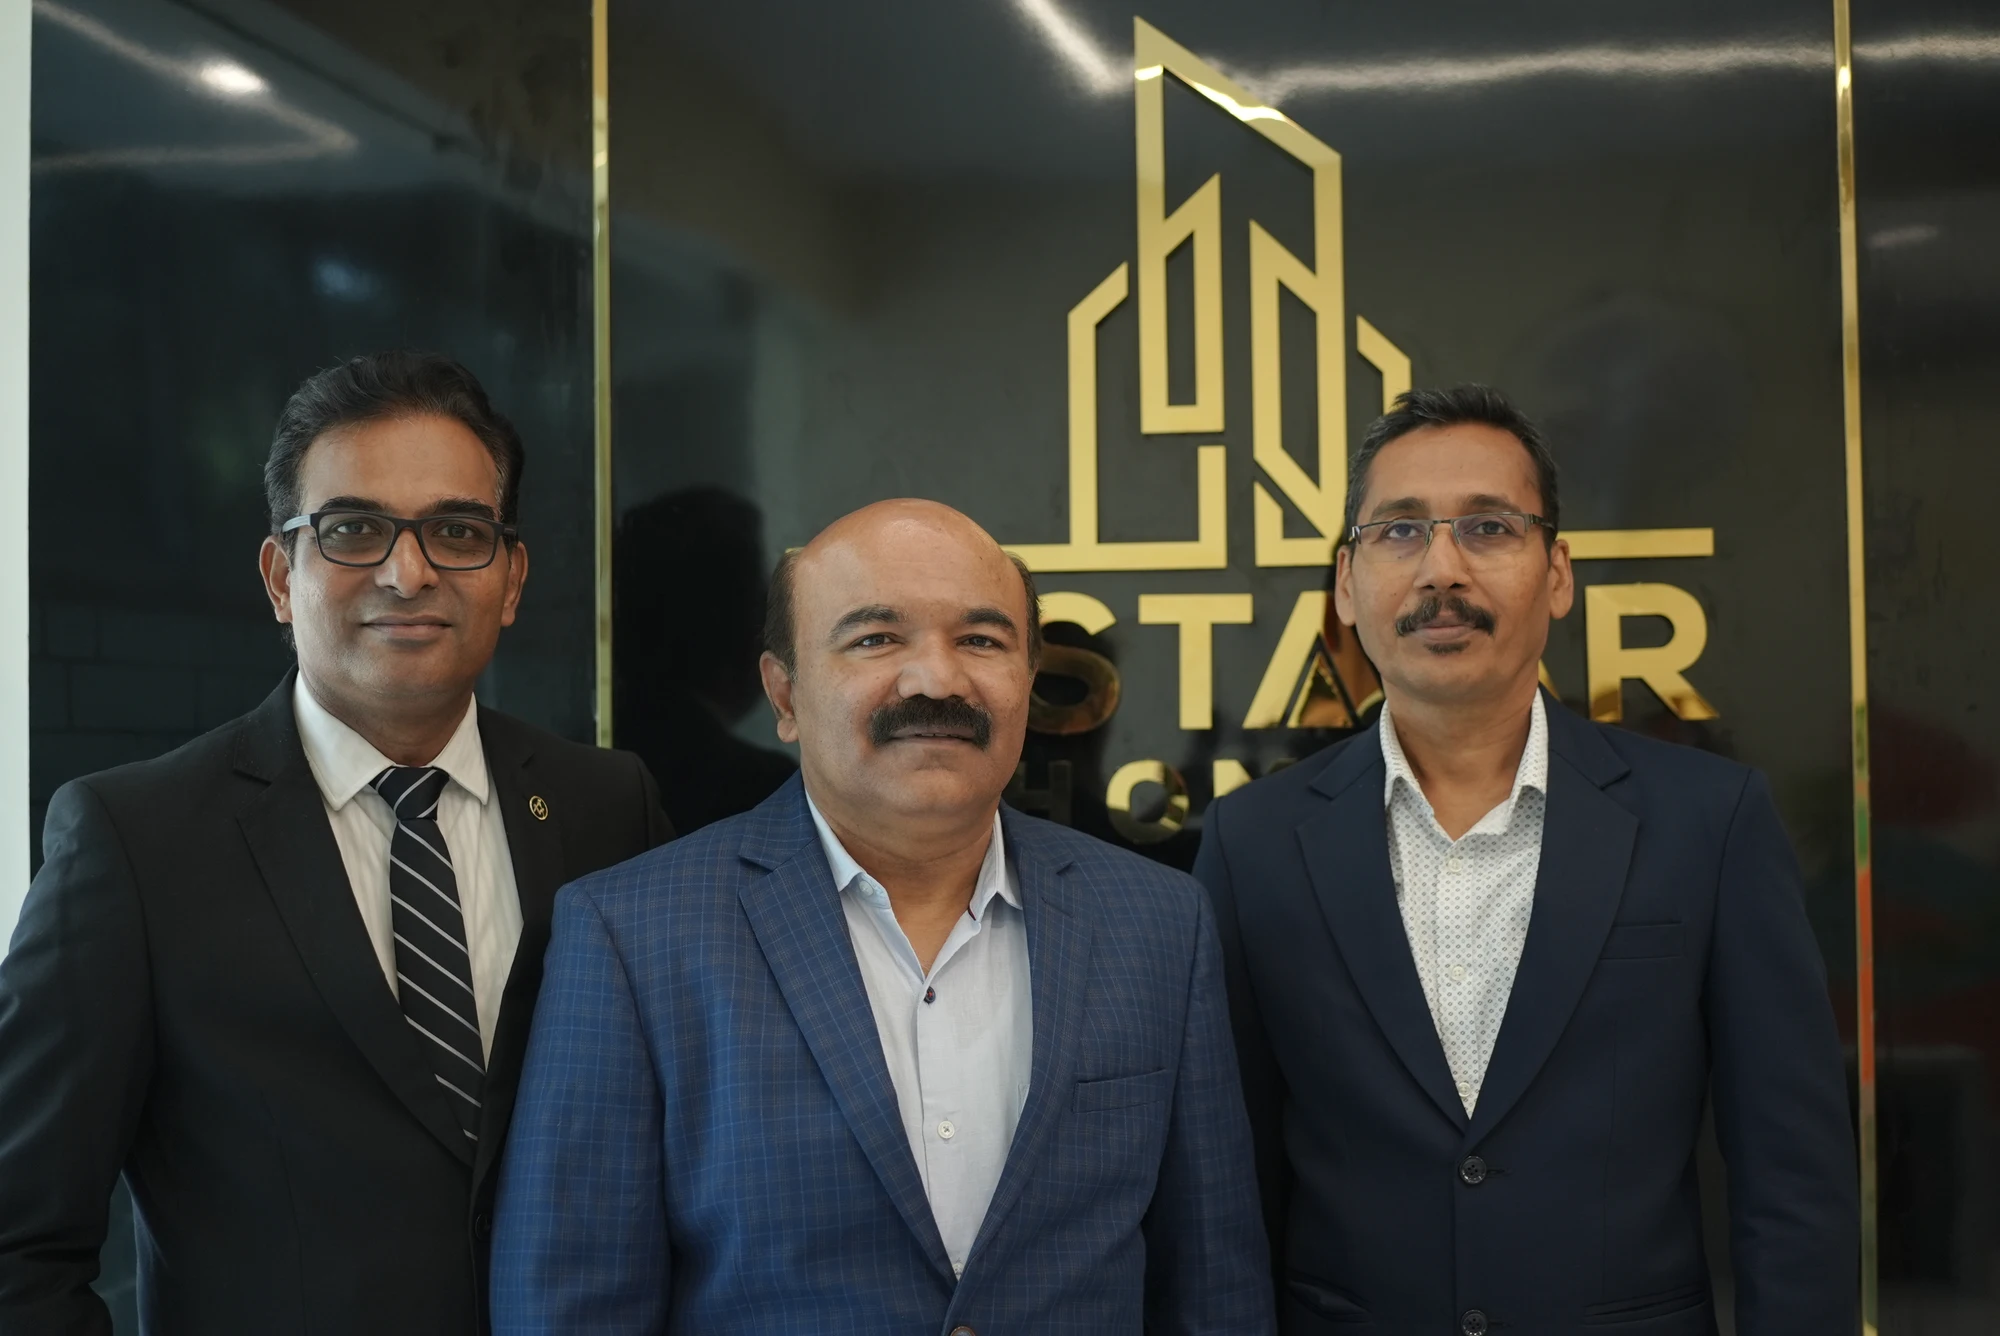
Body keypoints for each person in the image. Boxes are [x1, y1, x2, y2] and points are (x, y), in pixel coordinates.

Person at [0, 351, 674, 1334]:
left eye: (457, 531)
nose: (409, 572)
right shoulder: (135, 843)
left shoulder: (609, 808)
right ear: (282, 576)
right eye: (353, 529)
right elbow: (18, 1244)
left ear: (511, 578)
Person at [492, 498, 1273, 1334]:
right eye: (875, 639)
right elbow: (571, 1308)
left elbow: (1215, 1296)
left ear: (1029, 680)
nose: (937, 680)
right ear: (785, 694)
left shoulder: (1157, 924)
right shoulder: (631, 935)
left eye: (982, 640)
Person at [1195, 386, 1857, 1332]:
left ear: (1557, 574)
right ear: (1345, 584)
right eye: (1399, 531)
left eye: (1489, 528)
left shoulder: (1710, 823)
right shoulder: (1251, 843)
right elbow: (1225, 1193)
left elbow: (1794, 1183)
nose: (1442, 569)